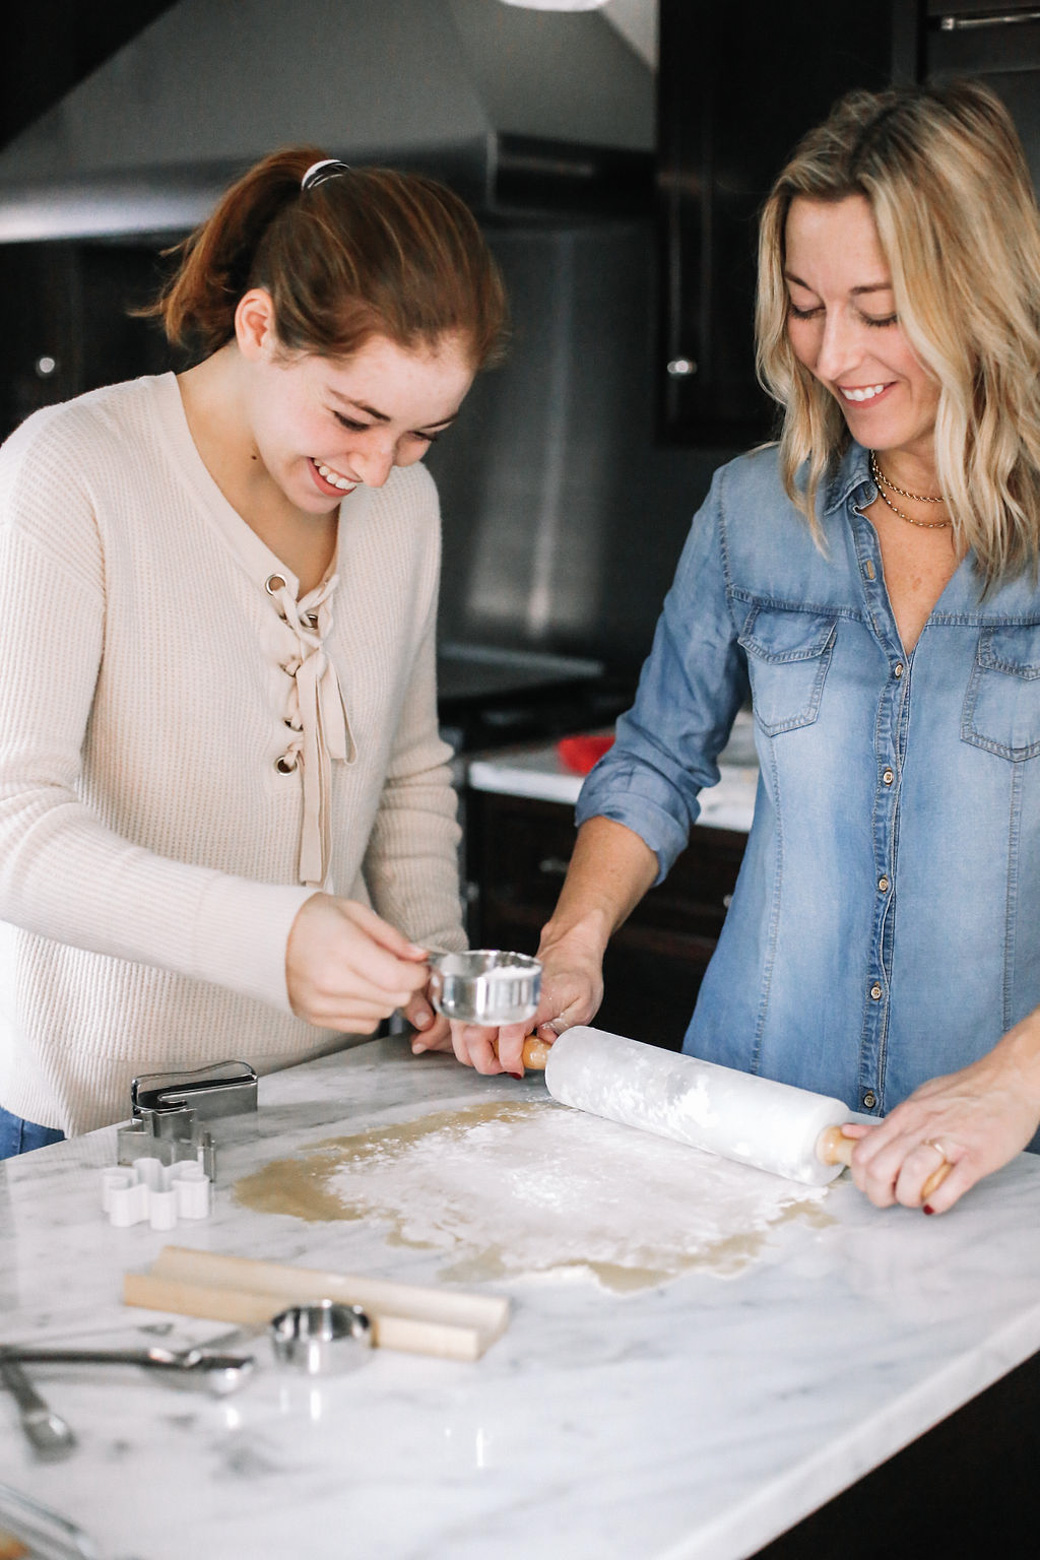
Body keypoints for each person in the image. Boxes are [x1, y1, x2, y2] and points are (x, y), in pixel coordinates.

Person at [448, 80, 1040, 1216]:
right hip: (749, 1115)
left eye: (878, 308)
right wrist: (573, 943)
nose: (831, 352)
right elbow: (655, 761)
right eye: (805, 305)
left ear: (981, 287)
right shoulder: (749, 513)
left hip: (996, 1155)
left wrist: (1010, 1084)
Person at [0, 149, 507, 1155]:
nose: (373, 470)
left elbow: (404, 775)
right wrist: (266, 938)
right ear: (258, 325)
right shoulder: (71, 473)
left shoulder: (404, 509)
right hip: (100, 1115)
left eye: (420, 436)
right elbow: (13, 828)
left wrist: (445, 972)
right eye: (353, 417)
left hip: (338, 1084)